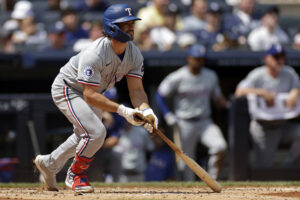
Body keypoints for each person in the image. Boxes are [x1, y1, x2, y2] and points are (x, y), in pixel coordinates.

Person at [34, 4, 158, 193]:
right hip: (68, 88)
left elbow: (137, 91)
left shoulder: (134, 54)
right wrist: (123, 111)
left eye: (132, 23)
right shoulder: (95, 52)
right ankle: (75, 174)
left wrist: (147, 110)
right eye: (125, 23)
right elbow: (89, 95)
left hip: (93, 92)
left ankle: (50, 163)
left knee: (86, 136)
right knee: (96, 133)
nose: (131, 27)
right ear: (111, 27)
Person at [156, 44, 227, 180]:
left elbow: (218, 98)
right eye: (196, 58)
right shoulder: (177, 76)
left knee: (220, 146)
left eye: (201, 59)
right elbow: (160, 95)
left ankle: (212, 179)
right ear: (189, 58)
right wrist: (167, 114)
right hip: (184, 123)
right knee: (186, 163)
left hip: (205, 121)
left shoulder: (210, 76)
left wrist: (224, 102)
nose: (199, 61)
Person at [235, 44, 300, 168]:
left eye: (282, 57)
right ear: (267, 59)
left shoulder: (289, 72)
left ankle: (288, 165)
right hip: (262, 128)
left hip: (282, 125)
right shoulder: (257, 74)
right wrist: (262, 92)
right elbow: (239, 92)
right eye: (276, 57)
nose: (280, 61)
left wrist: (296, 92)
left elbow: (297, 86)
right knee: (264, 167)